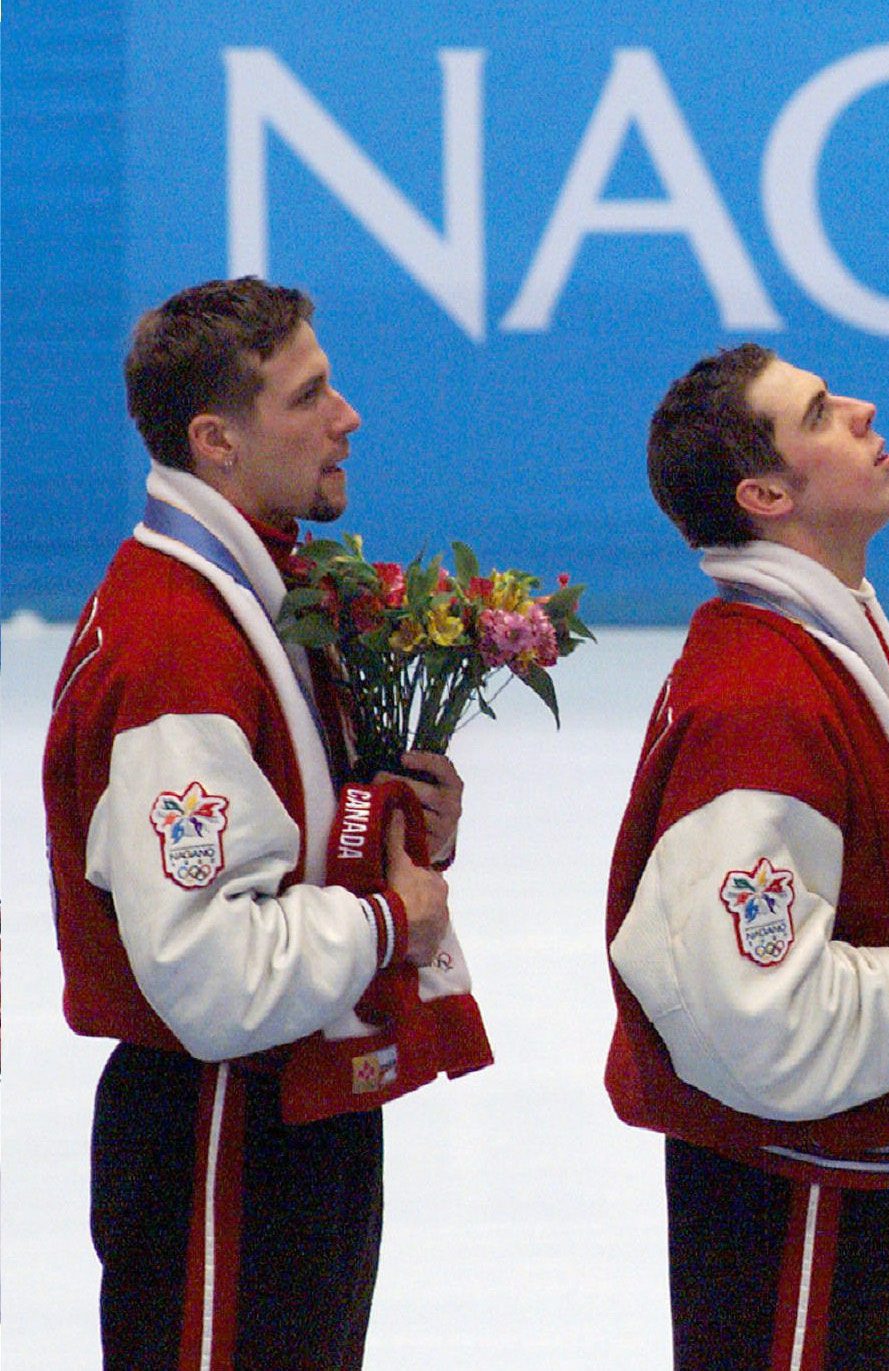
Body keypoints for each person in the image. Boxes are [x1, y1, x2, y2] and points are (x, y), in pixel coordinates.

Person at [44, 276, 486, 1368]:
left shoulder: (249, 592)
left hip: (282, 1115)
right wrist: (390, 920)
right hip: (220, 1133)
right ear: (218, 440)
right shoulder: (176, 647)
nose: (349, 417)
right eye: (311, 396)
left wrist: (389, 822)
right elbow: (210, 971)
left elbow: (276, 841)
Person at [605, 343, 889, 1370]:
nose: (860, 406)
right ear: (763, 493)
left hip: (830, 1163)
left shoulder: (810, 640)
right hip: (792, 1187)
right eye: (816, 412)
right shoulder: (762, 699)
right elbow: (755, 1015)